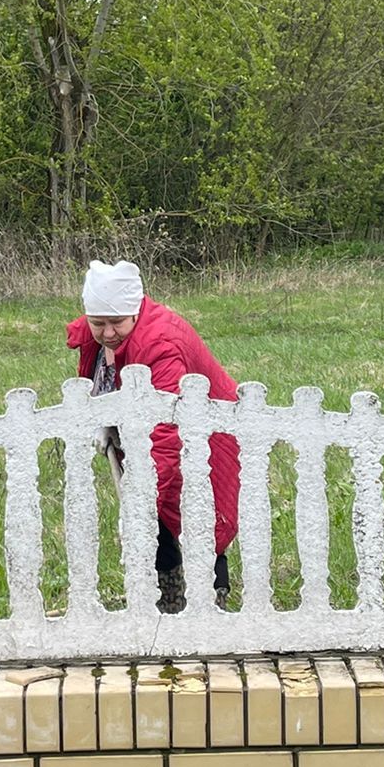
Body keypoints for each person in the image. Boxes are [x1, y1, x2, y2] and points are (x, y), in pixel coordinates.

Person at [66, 259, 242, 613]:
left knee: (200, 520)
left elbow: (166, 430)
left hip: (203, 437)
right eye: (99, 323)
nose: (108, 332)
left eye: (116, 322)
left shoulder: (160, 343)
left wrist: (143, 498)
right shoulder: (95, 336)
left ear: (135, 310)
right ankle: (168, 600)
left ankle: (211, 604)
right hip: (139, 438)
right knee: (159, 524)